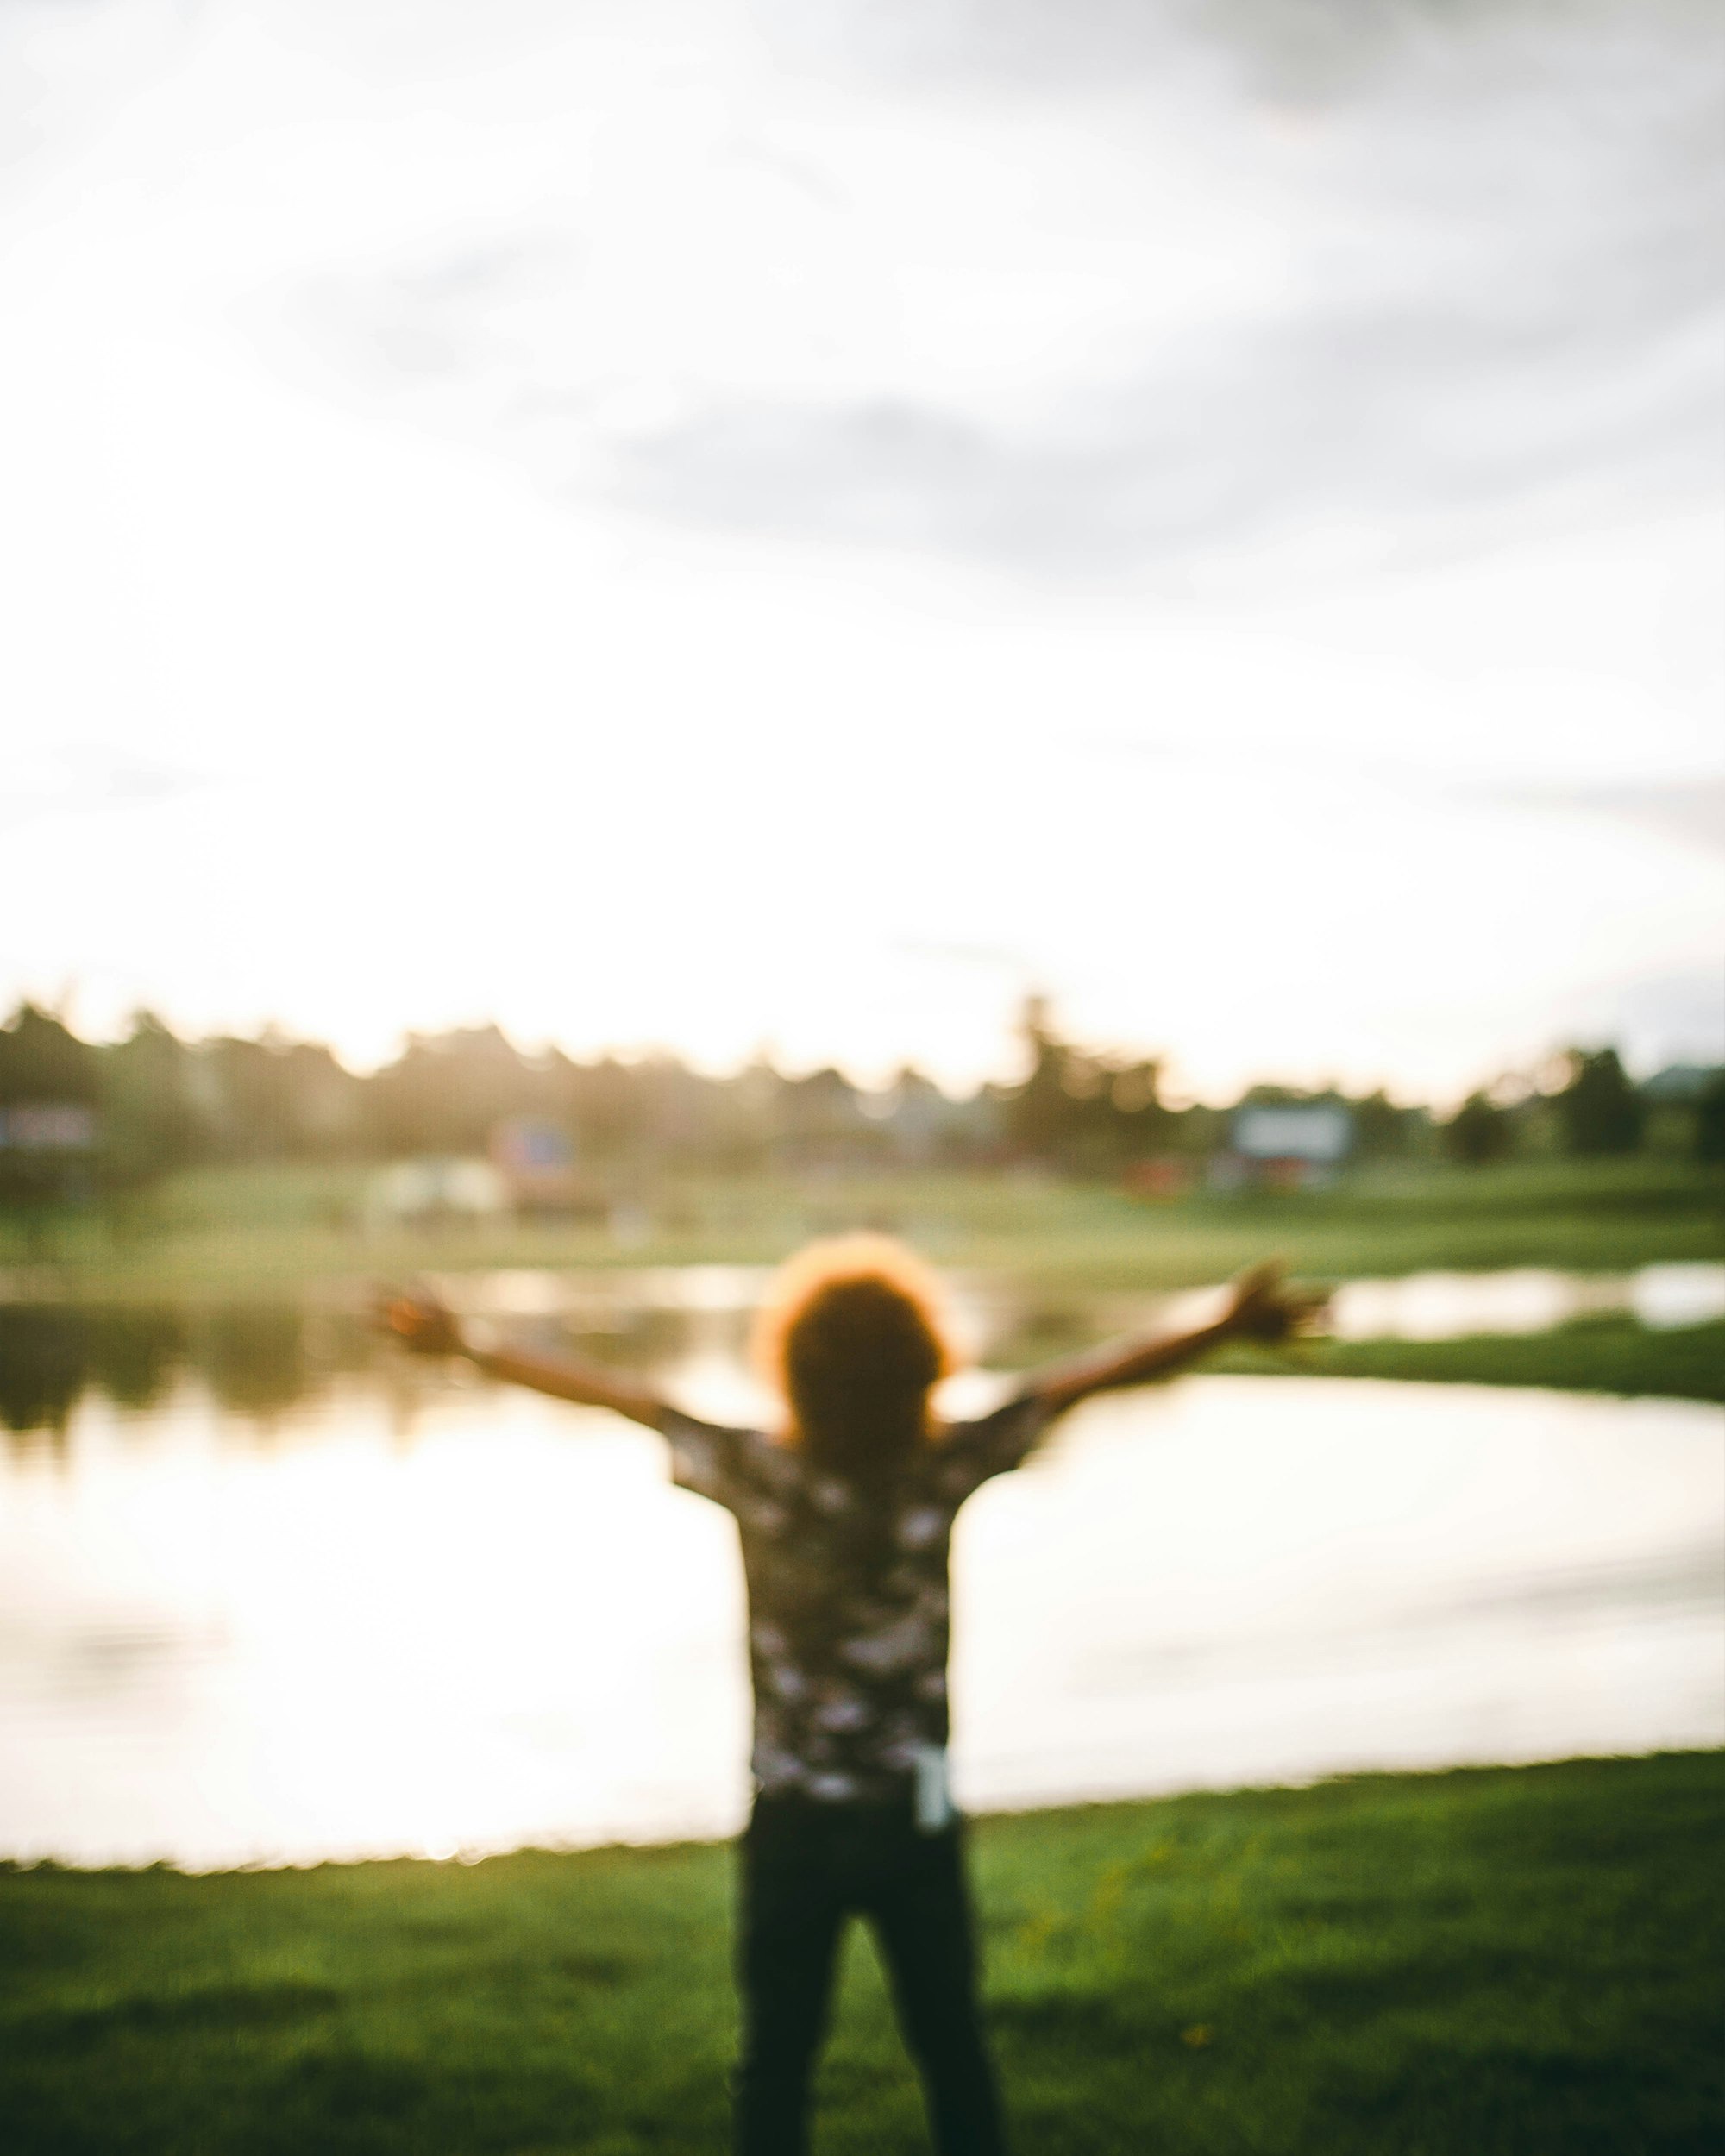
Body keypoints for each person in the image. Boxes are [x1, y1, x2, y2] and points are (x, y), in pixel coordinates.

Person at [380, 1237, 1320, 2156]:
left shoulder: (756, 1471)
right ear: (922, 1364)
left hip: (792, 1822)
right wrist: (1222, 1327)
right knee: (951, 2049)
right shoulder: (943, 1464)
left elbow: (610, 1395)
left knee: (776, 2062)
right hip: (916, 1814)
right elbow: (1092, 1375)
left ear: (792, 1366)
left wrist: (465, 1345)